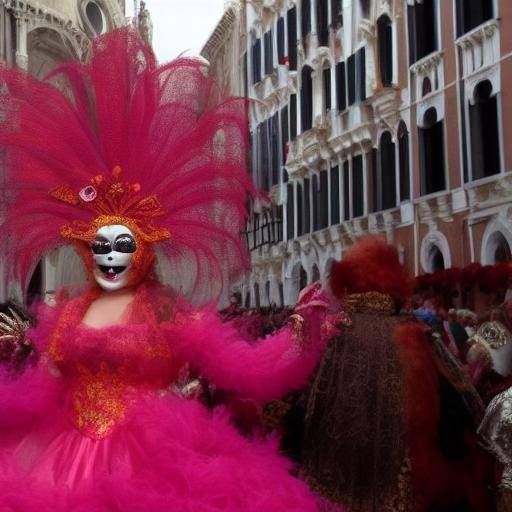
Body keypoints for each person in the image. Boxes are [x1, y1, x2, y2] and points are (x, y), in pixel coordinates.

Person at [0, 29, 344, 511]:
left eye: (123, 246)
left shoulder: (164, 312)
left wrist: (300, 335)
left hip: (151, 458)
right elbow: (41, 386)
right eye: (101, 247)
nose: (111, 257)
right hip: (56, 459)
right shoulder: (70, 312)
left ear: (143, 249)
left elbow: (240, 368)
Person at [301, 237, 492, 512]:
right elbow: (464, 398)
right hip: (399, 485)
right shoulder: (413, 332)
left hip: (333, 481)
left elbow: (305, 400)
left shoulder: (333, 335)